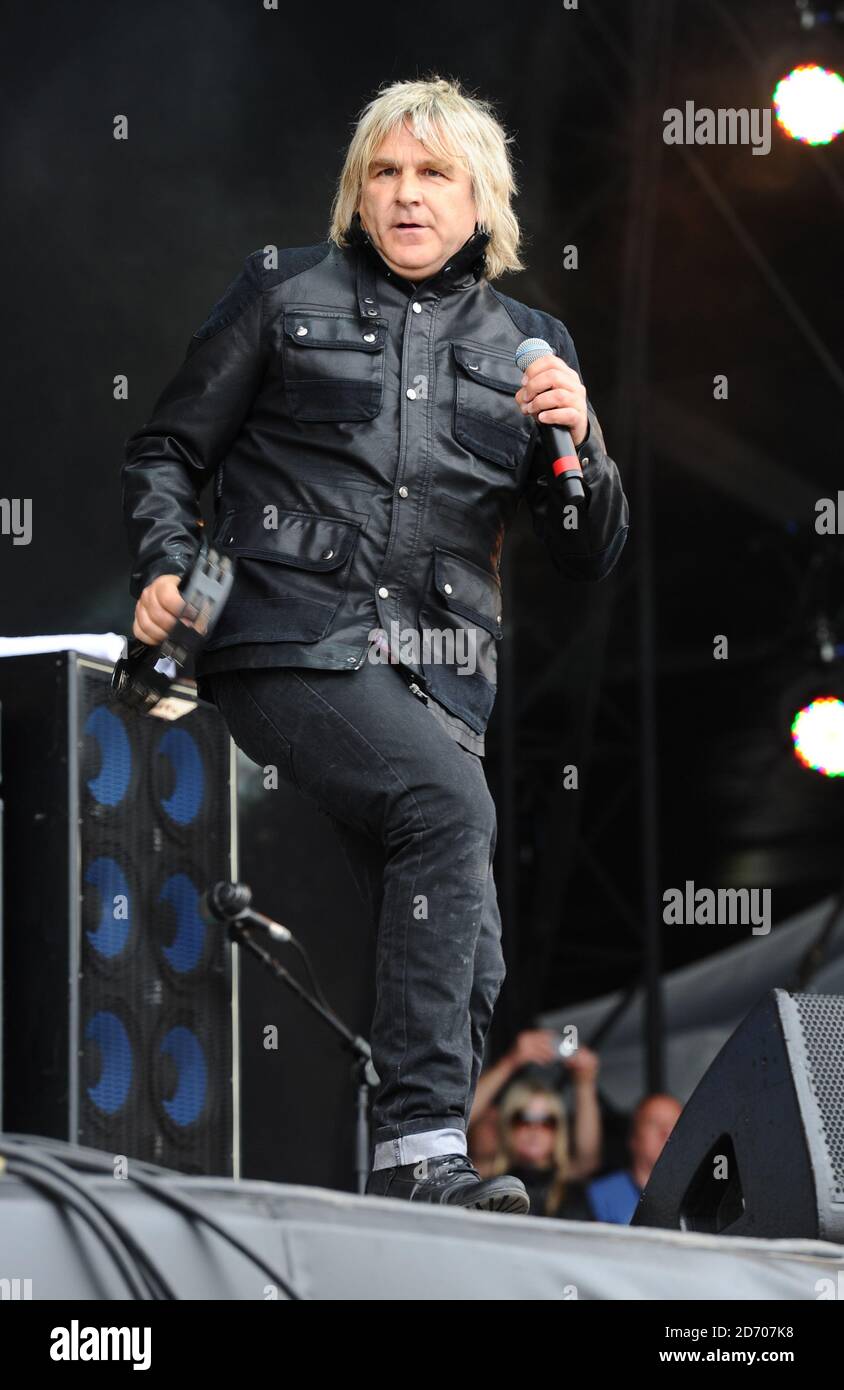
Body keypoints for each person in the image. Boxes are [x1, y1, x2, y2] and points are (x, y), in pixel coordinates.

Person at [122, 75, 629, 1213]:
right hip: (283, 632)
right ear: (358, 190)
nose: (405, 195)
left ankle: (404, 1190)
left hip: (440, 682)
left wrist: (580, 444)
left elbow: (588, 551)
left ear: (480, 200)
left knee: (474, 961)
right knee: (449, 816)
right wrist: (165, 566)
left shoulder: (531, 342)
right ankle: (418, 1156)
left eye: (432, 174)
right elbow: (167, 451)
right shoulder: (282, 288)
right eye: (385, 173)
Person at [472, 1040, 603, 1218]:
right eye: (524, 1119)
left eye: (546, 1121)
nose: (535, 1130)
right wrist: (510, 1062)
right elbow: (454, 1123)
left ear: (558, 1130)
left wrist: (584, 1083)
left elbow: (588, 1156)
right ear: (507, 1124)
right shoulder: (482, 1177)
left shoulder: (567, 1177)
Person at [585, 1093, 682, 1224]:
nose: (666, 1132)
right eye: (654, 1123)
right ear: (633, 1137)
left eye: (676, 1125)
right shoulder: (599, 1196)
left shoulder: (698, 1196)